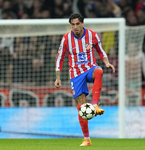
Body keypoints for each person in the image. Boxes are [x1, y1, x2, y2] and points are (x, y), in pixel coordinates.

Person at [54, 13, 115, 146]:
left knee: (99, 71)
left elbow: (101, 51)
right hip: (75, 74)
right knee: (81, 108)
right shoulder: (66, 39)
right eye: (73, 25)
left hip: (89, 68)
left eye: (77, 24)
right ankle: (87, 139)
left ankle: (95, 104)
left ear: (82, 23)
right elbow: (60, 58)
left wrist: (106, 62)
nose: (75, 27)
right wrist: (58, 77)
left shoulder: (92, 35)